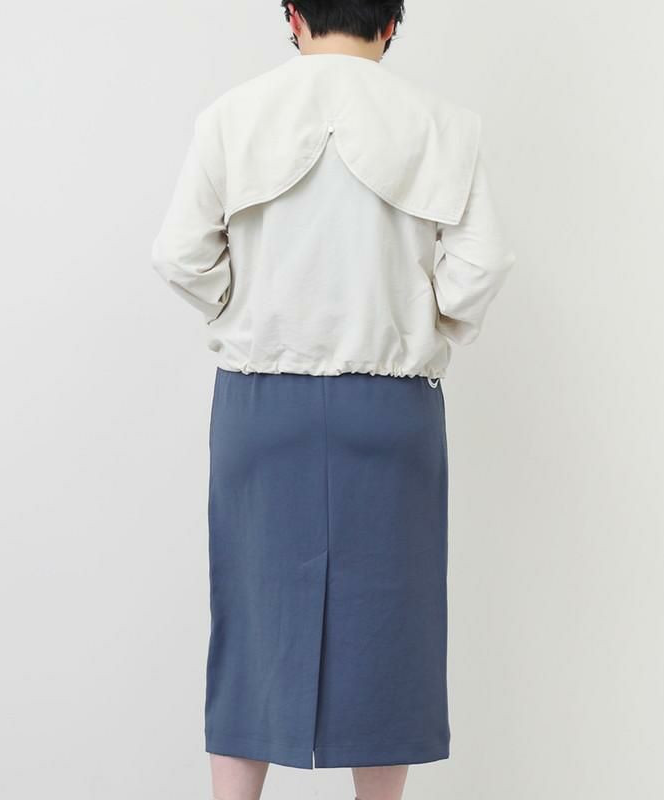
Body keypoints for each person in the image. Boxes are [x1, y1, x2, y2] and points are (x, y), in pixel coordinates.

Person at [151, 3, 516, 799]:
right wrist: (429, 318)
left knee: (251, 620)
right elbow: (483, 263)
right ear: (391, 21)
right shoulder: (443, 125)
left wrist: (239, 308)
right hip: (390, 406)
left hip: (261, 402)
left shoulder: (231, 115)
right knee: (389, 624)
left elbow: (179, 254)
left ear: (292, 14)